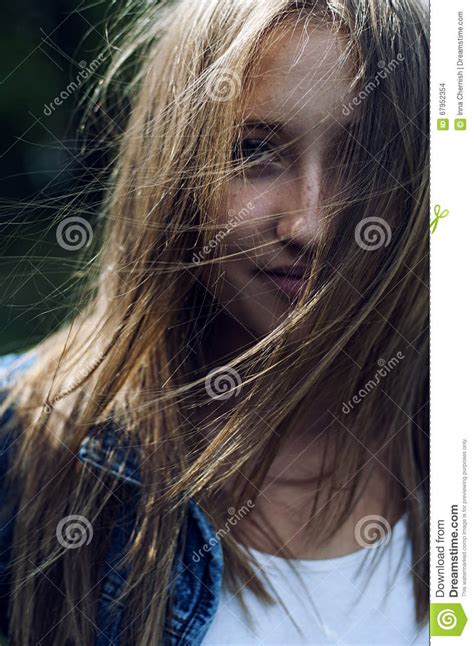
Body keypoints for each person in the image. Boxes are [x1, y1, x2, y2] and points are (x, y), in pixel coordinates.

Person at [0, 0, 429, 643]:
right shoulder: (29, 444)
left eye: (362, 159)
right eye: (255, 151)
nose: (307, 225)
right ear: (172, 170)